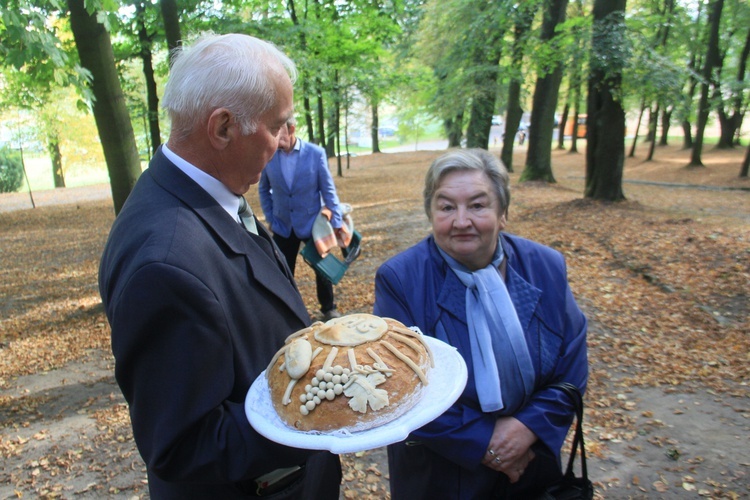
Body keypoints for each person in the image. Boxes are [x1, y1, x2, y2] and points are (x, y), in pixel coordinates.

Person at [98, 34, 341, 499]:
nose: (285, 140)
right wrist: (324, 415)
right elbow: (182, 444)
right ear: (224, 127)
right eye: (277, 126)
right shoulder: (165, 262)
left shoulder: (206, 197)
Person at [374, 148, 588, 498]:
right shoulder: (401, 279)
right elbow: (399, 385)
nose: (461, 221)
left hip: (533, 466)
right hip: (442, 475)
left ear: (502, 213)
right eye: (446, 207)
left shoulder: (546, 266)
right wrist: (486, 443)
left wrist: (525, 429)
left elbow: (572, 365)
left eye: (477, 205)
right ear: (431, 213)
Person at [258, 116, 344, 321]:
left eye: (280, 132)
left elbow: (328, 190)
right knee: (282, 271)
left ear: (292, 128)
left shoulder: (315, 154)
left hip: (312, 224)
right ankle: (288, 311)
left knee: (322, 269)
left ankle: (328, 308)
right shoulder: (269, 155)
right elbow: (263, 190)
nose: (277, 138)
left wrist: (337, 222)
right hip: (282, 225)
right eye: (274, 132)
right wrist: (270, 216)